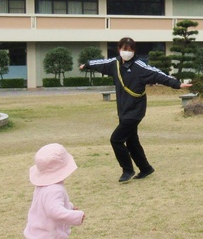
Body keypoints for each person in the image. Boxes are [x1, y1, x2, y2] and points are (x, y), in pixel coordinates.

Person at [81, 38, 191, 183]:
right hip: (123, 110)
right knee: (132, 141)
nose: (127, 52)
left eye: (130, 49)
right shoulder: (114, 64)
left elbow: (159, 75)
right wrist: (87, 65)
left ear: (134, 51)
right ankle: (145, 168)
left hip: (135, 111)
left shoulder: (141, 67)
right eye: (124, 49)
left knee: (116, 140)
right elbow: (100, 63)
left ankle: (127, 170)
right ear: (119, 49)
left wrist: (177, 84)